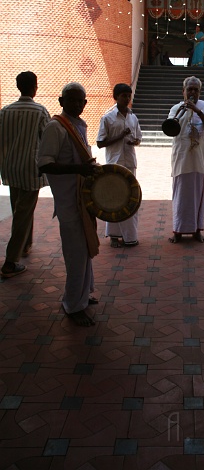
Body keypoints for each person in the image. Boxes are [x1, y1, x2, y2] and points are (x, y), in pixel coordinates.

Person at [38, 83, 99, 327]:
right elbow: (44, 164)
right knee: (75, 255)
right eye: (71, 100)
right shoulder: (55, 127)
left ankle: (83, 296)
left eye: (79, 101)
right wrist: (79, 169)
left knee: (84, 251)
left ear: (85, 104)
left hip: (82, 200)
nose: (75, 105)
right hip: (68, 202)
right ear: (61, 101)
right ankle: (73, 306)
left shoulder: (79, 126)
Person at [0, 72, 51, 278]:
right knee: (22, 214)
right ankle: (11, 262)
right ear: (35, 87)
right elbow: (47, 139)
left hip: (11, 167)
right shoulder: (40, 111)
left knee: (19, 208)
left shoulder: (5, 111)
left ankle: (26, 245)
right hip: (31, 169)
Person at [168, 76, 204, 243]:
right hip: (182, 157)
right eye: (190, 89)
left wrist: (197, 110)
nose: (193, 92)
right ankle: (178, 231)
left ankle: (196, 231)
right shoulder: (175, 109)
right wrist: (185, 111)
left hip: (199, 158)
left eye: (196, 90)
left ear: (200, 92)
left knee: (198, 195)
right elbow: (171, 129)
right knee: (180, 194)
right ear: (184, 92)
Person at [96, 83, 142, 248]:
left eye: (129, 96)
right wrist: (120, 136)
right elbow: (100, 143)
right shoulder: (107, 118)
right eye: (123, 96)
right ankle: (114, 236)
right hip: (114, 164)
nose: (127, 99)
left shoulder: (133, 117)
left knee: (130, 198)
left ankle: (130, 236)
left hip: (129, 163)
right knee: (114, 200)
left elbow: (138, 139)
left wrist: (134, 141)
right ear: (116, 97)